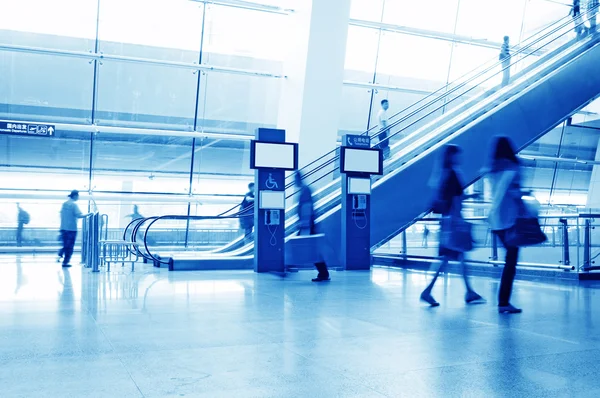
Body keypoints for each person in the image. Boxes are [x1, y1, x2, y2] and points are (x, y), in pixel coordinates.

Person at [420, 145, 484, 307]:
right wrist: (459, 219)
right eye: (457, 155)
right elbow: (456, 200)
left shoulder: (442, 174)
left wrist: (469, 195)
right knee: (448, 259)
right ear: (452, 156)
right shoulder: (454, 174)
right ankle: (428, 291)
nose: (459, 158)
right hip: (454, 222)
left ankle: (469, 291)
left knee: (456, 258)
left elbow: (447, 198)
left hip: (447, 221)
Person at [486, 137, 523, 314]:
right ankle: (503, 302)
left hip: (495, 220)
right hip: (510, 220)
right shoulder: (513, 167)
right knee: (511, 262)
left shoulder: (492, 169)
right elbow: (515, 193)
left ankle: (503, 302)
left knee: (509, 260)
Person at [295, 172, 330, 282]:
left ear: (298, 179)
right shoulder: (304, 189)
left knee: (311, 249)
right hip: (307, 224)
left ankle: (324, 273)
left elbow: (307, 207)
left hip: (307, 224)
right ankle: (323, 273)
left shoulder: (305, 190)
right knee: (311, 249)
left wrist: (305, 224)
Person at [58, 190, 90, 268]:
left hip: (63, 228)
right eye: (78, 196)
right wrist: (88, 214)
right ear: (75, 196)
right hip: (71, 229)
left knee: (66, 244)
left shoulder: (64, 204)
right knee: (70, 246)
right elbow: (79, 215)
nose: (78, 197)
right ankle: (65, 262)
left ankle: (61, 253)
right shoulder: (73, 205)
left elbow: (61, 215)